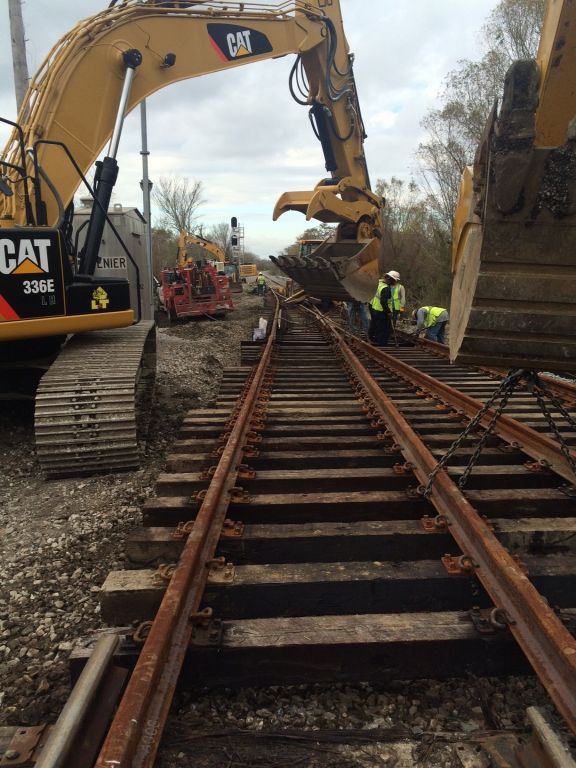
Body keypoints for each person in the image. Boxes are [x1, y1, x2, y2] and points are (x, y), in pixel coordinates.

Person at [368, 275, 393, 346]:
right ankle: (382, 343)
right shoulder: (386, 289)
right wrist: (388, 312)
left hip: (373, 306)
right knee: (384, 328)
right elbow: (383, 302)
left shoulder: (379, 283)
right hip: (381, 310)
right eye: (394, 281)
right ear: (390, 280)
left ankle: (372, 338)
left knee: (374, 324)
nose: (395, 282)